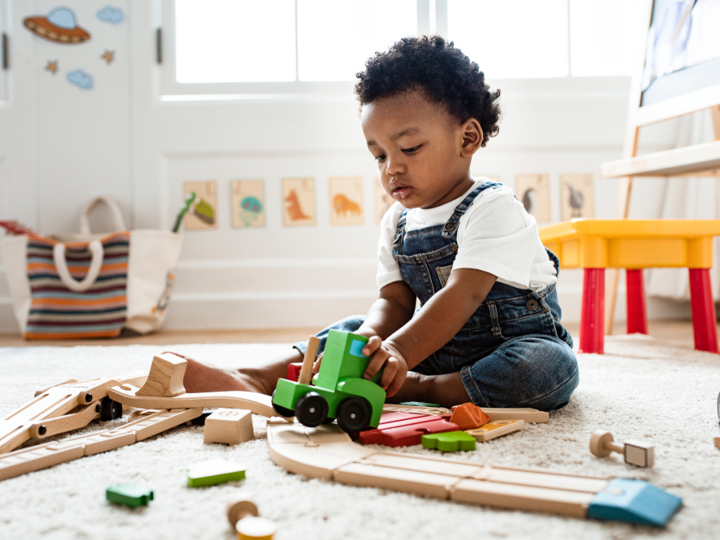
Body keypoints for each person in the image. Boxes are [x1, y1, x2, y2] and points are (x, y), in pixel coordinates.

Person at [182, 36, 579, 410]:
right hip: (431, 347)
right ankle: (256, 378)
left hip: (507, 346)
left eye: (409, 148)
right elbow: (394, 302)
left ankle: (424, 389)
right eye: (379, 155)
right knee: (352, 329)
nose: (393, 167)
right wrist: (368, 342)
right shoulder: (397, 222)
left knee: (547, 367)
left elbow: (464, 295)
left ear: (468, 138)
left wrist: (400, 353)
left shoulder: (493, 206)